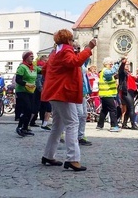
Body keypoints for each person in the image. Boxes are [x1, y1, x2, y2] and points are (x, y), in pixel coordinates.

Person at [41, 29, 97, 171]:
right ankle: (72, 159)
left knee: (58, 126)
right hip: (62, 93)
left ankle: (48, 155)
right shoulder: (66, 50)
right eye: (71, 40)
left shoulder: (55, 52)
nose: (72, 42)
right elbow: (75, 62)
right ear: (68, 40)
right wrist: (89, 48)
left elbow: (45, 69)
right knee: (72, 123)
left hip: (53, 92)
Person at [14, 51, 40, 136]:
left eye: (33, 56)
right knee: (27, 108)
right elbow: (18, 80)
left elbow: (43, 70)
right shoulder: (22, 67)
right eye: (30, 56)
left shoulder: (34, 67)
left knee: (31, 110)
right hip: (22, 90)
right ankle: (19, 127)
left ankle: (25, 128)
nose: (32, 58)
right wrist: (26, 83)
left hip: (31, 90)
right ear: (26, 58)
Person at [118, 58, 138, 130]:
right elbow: (121, 69)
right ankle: (133, 124)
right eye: (126, 64)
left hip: (131, 91)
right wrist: (123, 63)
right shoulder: (122, 72)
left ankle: (124, 124)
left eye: (128, 64)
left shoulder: (129, 73)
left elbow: (137, 80)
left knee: (129, 109)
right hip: (126, 91)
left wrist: (136, 78)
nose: (127, 65)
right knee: (131, 107)